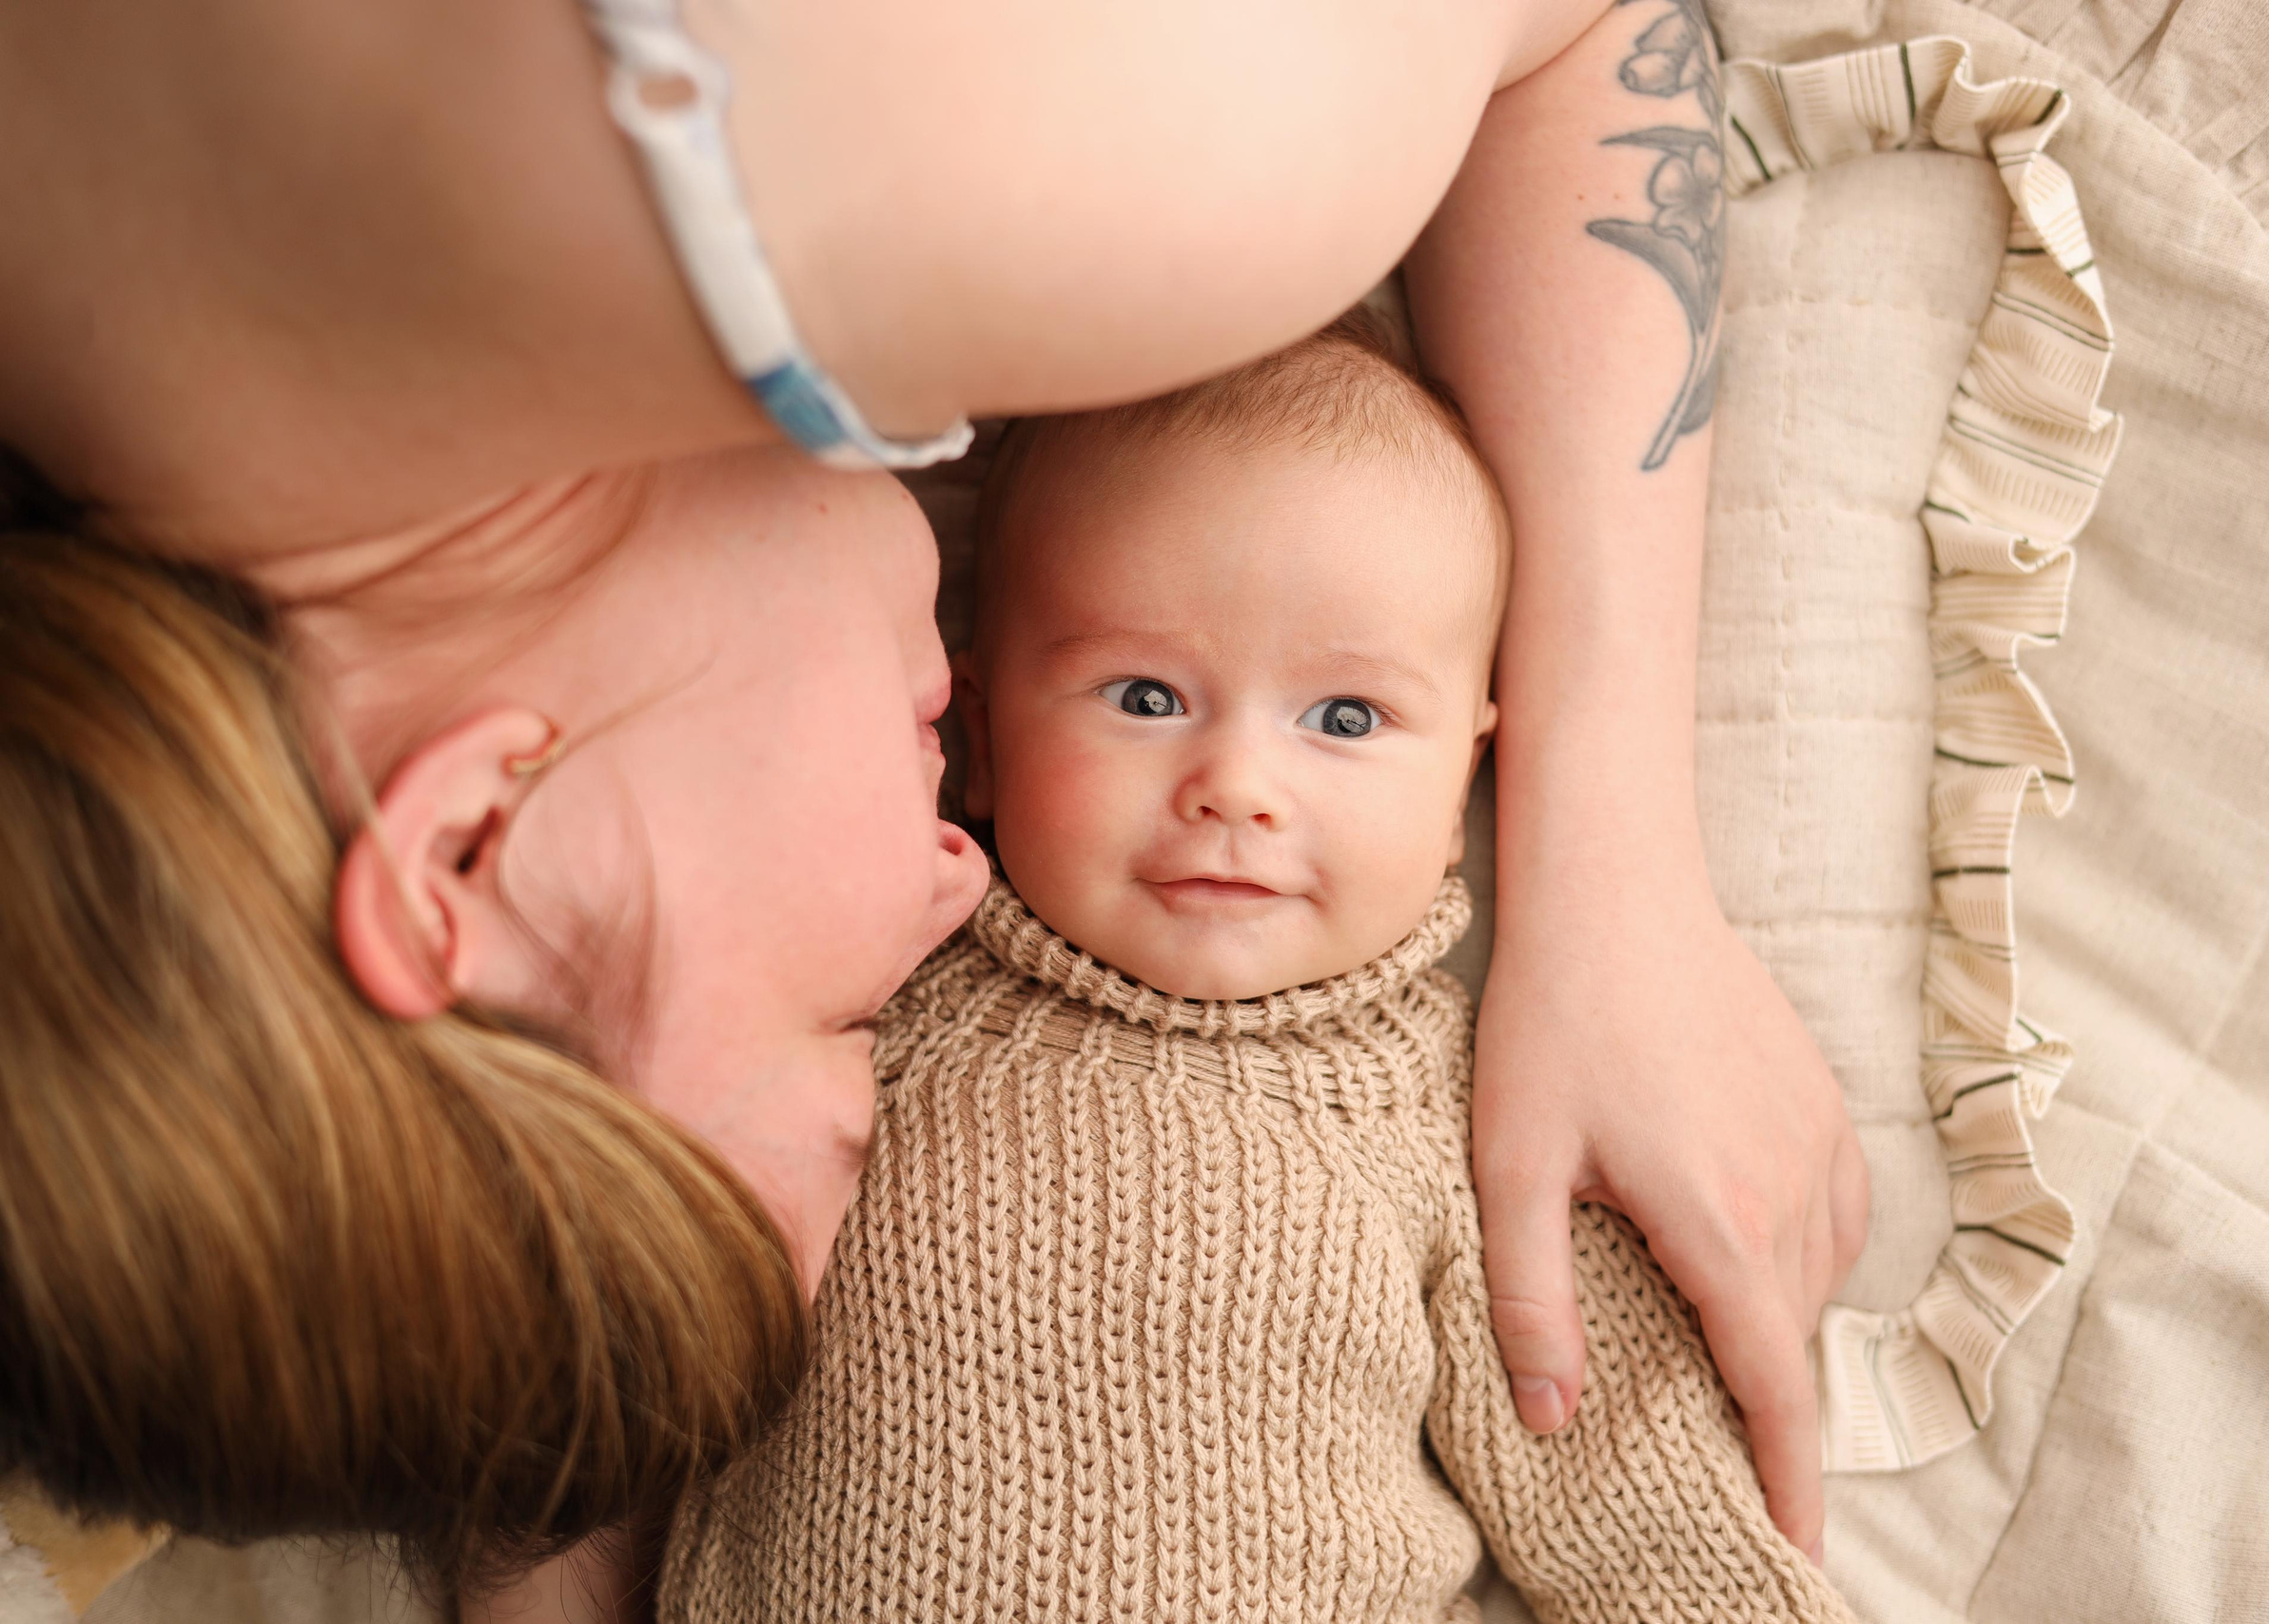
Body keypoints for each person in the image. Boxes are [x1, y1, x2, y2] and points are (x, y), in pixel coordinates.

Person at [0, 0, 1863, 1599]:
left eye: (836, 1025)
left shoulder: (1038, 173)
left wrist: (1612, 868)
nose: (953, 884)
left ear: (472, 844)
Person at [661, 316, 1860, 1623]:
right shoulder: (875, 995)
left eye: (1344, 718)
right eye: (1145, 697)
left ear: (1464, 778)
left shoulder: (1474, 1115)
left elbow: (1628, 1497)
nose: (1237, 785)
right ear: (983, 739)